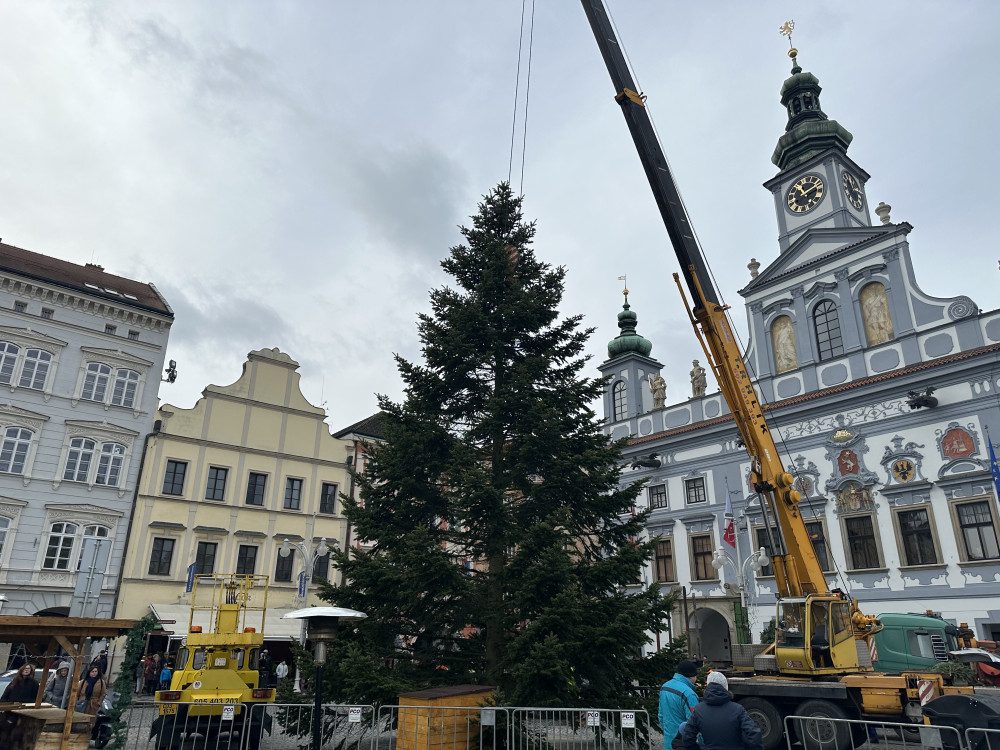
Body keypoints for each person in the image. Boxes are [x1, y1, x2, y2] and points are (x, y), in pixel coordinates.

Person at [682, 671, 762, 750]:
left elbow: (687, 737)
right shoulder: (737, 709)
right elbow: (754, 734)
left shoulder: (698, 710)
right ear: (725, 687)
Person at [659, 660, 699, 744]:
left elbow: (661, 716)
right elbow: (694, 723)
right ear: (691, 676)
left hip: (669, 741)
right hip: (684, 743)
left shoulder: (665, 687)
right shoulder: (689, 694)